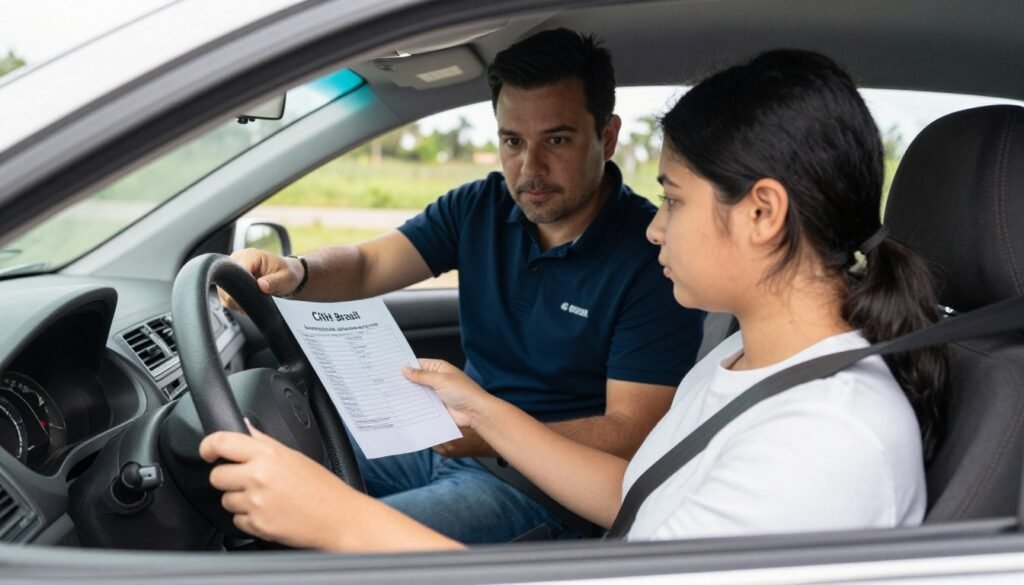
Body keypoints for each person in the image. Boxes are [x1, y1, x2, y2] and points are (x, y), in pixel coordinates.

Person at [203, 48, 949, 551]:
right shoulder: (745, 357)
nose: (656, 229)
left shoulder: (828, 439)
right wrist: (481, 407)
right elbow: (637, 490)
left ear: (761, 213)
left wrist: (340, 523)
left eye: (675, 200)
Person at [220, 28, 705, 543]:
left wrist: (489, 433)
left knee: (327, 547)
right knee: (260, 469)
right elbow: (365, 265)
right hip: (440, 439)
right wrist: (297, 272)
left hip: (542, 486)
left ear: (606, 137)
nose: (530, 168)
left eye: (556, 140)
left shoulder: (652, 256)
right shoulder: (481, 206)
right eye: (512, 141)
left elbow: (632, 433)